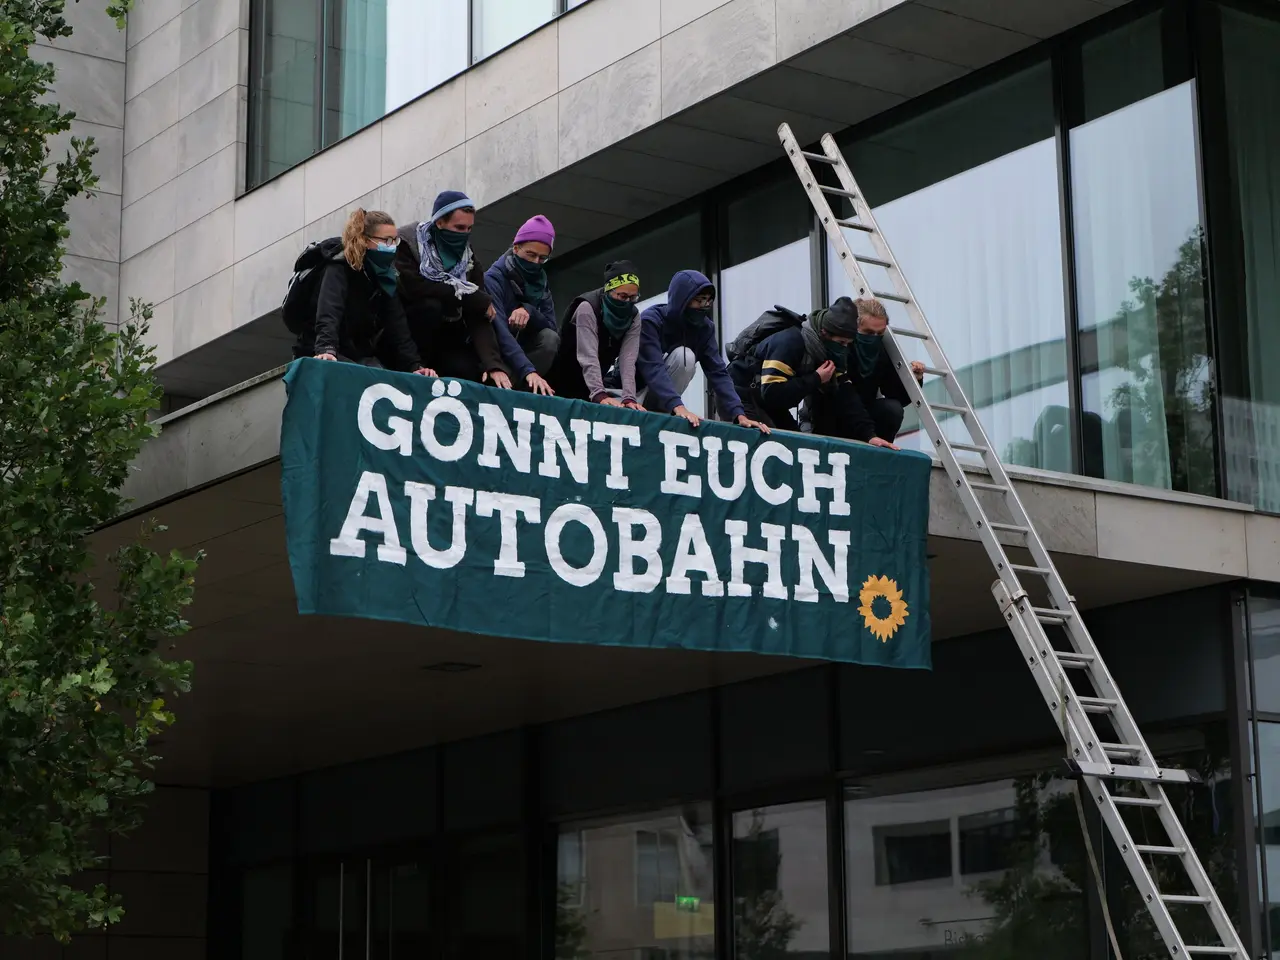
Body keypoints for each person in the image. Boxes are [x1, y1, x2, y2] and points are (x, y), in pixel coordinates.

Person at [395, 190, 510, 387]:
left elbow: (479, 314)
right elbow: (415, 288)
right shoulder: (407, 242)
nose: (465, 234)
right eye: (459, 228)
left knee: (468, 372)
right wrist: (471, 296)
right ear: (439, 223)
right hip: (407, 334)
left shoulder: (468, 259)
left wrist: (494, 365)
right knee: (430, 306)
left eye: (469, 229)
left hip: (447, 336)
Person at [634, 270, 769, 432]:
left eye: (707, 301)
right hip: (632, 393)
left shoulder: (705, 328)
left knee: (687, 357)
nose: (704, 306)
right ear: (682, 299)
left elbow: (718, 372)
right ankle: (667, 407)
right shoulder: (651, 321)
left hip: (662, 401)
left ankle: (661, 410)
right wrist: (678, 406)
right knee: (682, 355)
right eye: (698, 300)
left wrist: (738, 414)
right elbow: (653, 368)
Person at [305, 208, 433, 376]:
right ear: (365, 241)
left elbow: (398, 325)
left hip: (360, 354)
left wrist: (414, 366)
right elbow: (329, 312)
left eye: (395, 241)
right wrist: (326, 348)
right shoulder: (339, 267)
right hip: (327, 351)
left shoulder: (385, 276)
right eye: (387, 241)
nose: (392, 247)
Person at [801, 297, 925, 448]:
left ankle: (880, 452)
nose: (874, 338)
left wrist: (915, 378)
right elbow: (843, 396)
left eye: (879, 333)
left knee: (892, 409)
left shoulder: (880, 351)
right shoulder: (838, 346)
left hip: (862, 418)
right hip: (827, 419)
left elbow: (895, 396)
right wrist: (869, 435)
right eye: (868, 332)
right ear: (854, 328)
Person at [728, 297, 860, 432]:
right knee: (760, 437)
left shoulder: (826, 352)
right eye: (841, 342)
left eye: (848, 344)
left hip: (769, 400)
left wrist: (869, 435)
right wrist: (816, 378)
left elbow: (846, 394)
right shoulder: (790, 342)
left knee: (794, 441)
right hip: (741, 393)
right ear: (824, 333)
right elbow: (772, 393)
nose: (844, 348)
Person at [549, 260, 643, 407]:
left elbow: (628, 359)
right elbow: (588, 355)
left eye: (633, 298)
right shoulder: (588, 307)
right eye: (623, 296)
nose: (628, 302)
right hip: (560, 379)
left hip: (590, 387)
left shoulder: (634, 317)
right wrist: (599, 393)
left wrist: (629, 397)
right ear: (609, 290)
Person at [484, 215, 558, 396]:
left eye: (542, 258)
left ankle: (519, 391)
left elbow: (552, 328)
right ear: (516, 248)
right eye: (530, 255)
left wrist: (529, 311)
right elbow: (498, 330)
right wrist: (528, 371)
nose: (535, 262)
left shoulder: (541, 283)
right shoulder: (493, 278)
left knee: (550, 339)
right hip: (495, 355)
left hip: (525, 357)